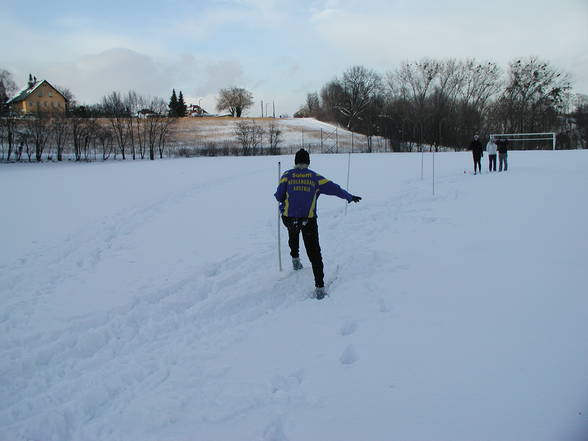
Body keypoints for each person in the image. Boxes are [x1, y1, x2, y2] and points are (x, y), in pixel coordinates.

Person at [274, 149, 361, 299]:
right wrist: (349, 197)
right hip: (308, 220)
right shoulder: (315, 178)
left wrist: (285, 203)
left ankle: (295, 260)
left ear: (295, 161)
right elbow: (334, 188)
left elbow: (279, 196)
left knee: (293, 235)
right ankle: (320, 287)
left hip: (289, 218)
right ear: (308, 162)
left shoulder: (286, 176)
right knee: (314, 253)